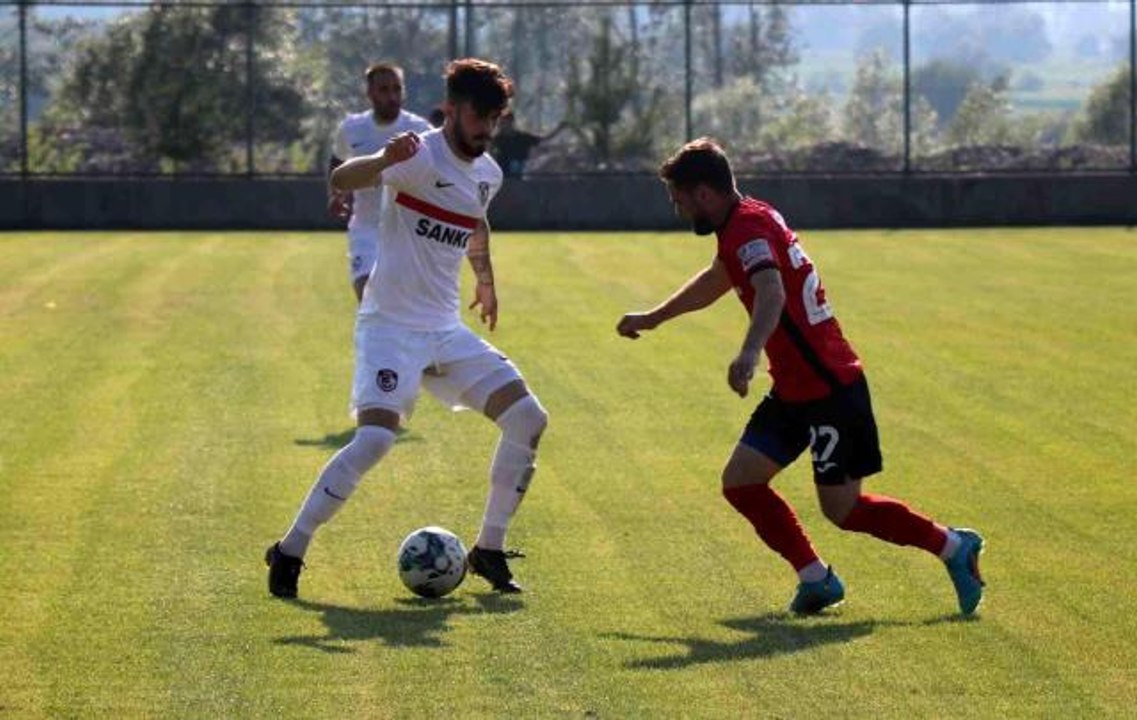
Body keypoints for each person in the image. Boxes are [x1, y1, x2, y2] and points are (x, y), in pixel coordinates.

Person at [616, 138, 985, 616]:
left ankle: (953, 547)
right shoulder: (746, 218)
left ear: (704, 193)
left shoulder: (746, 229)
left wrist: (748, 353)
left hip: (831, 389)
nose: (679, 209)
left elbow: (771, 291)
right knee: (741, 483)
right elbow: (718, 278)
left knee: (844, 510)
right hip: (794, 390)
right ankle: (816, 578)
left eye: (680, 199)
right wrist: (653, 317)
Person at [266, 58, 547, 598]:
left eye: (496, 119)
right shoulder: (417, 152)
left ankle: (488, 549)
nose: (487, 130)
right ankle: (291, 548)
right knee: (374, 438)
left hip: (444, 331)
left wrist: (485, 279)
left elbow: (476, 219)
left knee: (529, 418)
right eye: (478, 117)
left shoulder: (489, 172)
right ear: (453, 110)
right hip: (390, 328)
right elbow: (339, 178)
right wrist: (378, 160)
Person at [328, 62, 432, 303]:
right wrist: (335, 193)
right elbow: (337, 161)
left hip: (407, 232)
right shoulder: (352, 128)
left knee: (405, 306)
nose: (392, 96)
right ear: (370, 93)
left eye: (397, 89)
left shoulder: (419, 129)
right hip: (366, 228)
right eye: (384, 90)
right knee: (368, 300)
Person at [490, 111, 565, 178]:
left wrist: (558, 129)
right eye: (501, 123)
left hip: (517, 179)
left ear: (511, 122)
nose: (502, 125)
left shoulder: (523, 138)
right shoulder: (497, 139)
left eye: (504, 122)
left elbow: (544, 139)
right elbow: (489, 151)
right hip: (501, 179)